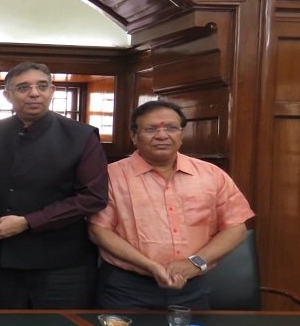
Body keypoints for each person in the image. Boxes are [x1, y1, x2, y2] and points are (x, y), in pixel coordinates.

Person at [88, 100, 255, 309]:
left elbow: (236, 228)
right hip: (126, 288)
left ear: (182, 135)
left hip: (192, 286)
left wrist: (195, 263)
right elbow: (98, 231)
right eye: (150, 129)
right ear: (134, 136)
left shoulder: (212, 175)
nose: (162, 135)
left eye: (171, 128)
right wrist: (150, 266)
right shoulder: (110, 176)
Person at [0, 61, 108, 309]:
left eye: (42, 86)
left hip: (61, 264)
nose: (34, 93)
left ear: (52, 90)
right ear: (8, 95)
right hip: (4, 262)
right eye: (23, 87)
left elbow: (92, 197)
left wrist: (28, 221)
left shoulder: (81, 135)